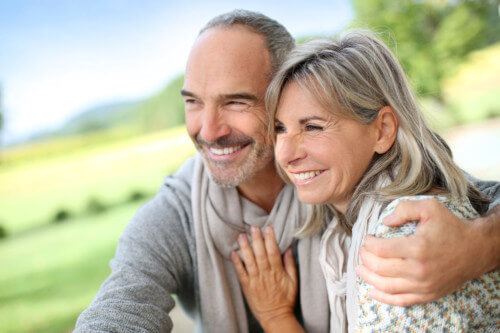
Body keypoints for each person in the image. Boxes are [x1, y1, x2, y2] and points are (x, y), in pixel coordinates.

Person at [74, 10, 500, 332]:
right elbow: (120, 305)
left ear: (286, 91)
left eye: (236, 101)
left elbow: (477, 197)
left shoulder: (385, 217)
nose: (207, 130)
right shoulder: (180, 211)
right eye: (193, 102)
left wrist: (480, 243)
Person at [231, 31, 499, 332]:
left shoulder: (404, 239)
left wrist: (275, 316)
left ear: (382, 130)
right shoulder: (347, 227)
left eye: (313, 127)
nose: (286, 154)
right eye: (280, 129)